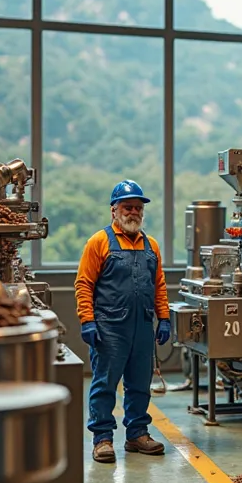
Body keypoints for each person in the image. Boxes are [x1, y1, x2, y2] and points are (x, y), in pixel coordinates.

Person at [75, 180, 171, 463]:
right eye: (127, 207)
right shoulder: (99, 242)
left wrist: (163, 318)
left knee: (140, 383)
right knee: (105, 384)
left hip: (142, 326)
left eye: (138, 208)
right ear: (114, 210)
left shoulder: (151, 245)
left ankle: (137, 434)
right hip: (109, 328)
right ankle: (102, 438)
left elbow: (160, 284)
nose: (133, 212)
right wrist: (87, 320)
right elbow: (84, 284)